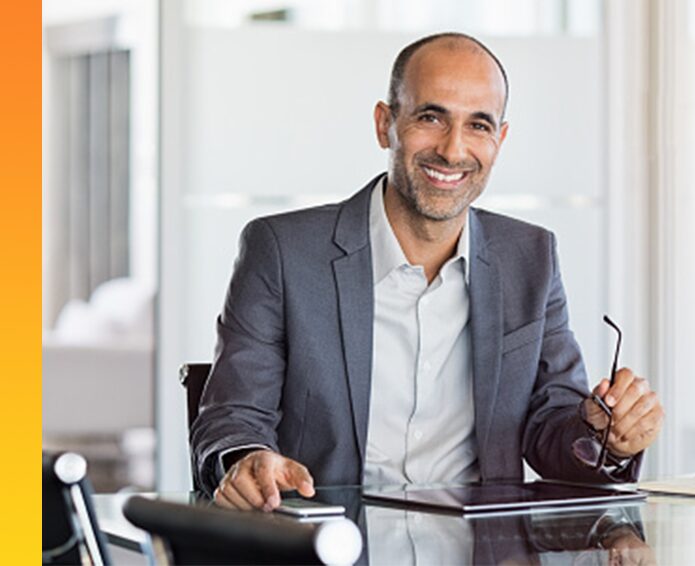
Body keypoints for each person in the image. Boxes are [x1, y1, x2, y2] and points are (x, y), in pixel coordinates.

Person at [192, 32, 664, 513]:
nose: (453, 149)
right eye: (431, 117)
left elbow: (553, 428)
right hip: (330, 545)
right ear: (385, 124)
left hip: (480, 548)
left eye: (478, 125)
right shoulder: (283, 251)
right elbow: (232, 417)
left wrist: (606, 436)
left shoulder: (531, 256)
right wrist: (249, 459)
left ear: (499, 141)